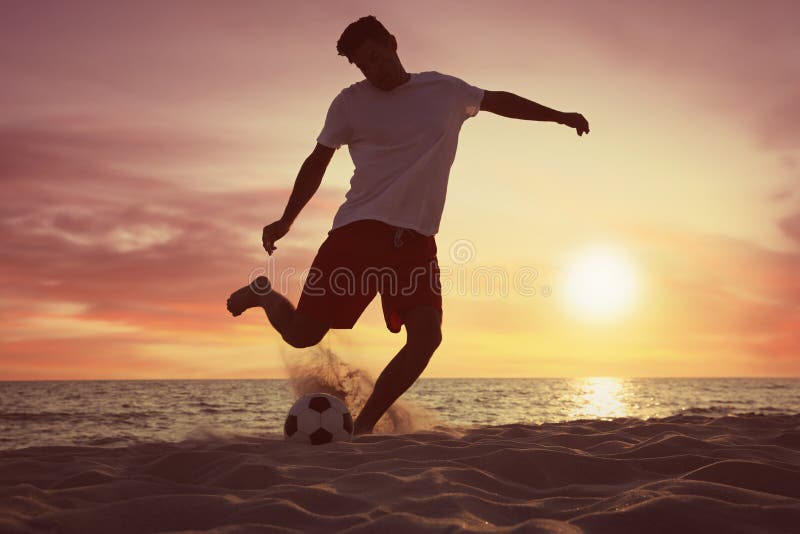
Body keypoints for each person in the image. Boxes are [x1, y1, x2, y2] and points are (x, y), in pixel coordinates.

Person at [227, 15, 589, 435]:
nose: (373, 71)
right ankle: (264, 295)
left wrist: (559, 116)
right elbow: (317, 161)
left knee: (426, 339)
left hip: (416, 241)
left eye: (377, 58)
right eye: (363, 65)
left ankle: (362, 429)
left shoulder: (445, 91)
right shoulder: (349, 103)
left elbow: (499, 100)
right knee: (302, 336)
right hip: (358, 233)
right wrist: (287, 219)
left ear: (393, 44)